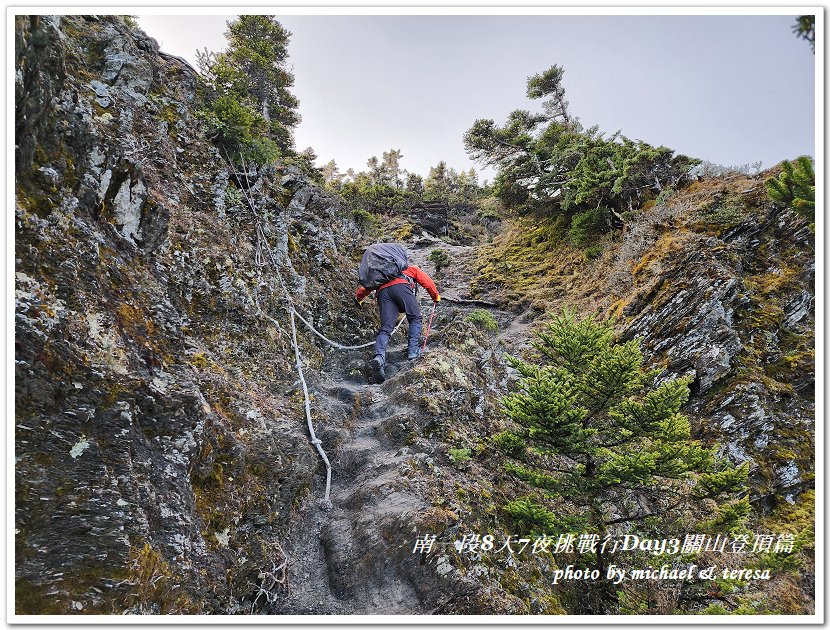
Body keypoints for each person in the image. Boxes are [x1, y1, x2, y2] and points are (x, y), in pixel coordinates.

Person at [355, 264, 440, 383]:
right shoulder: (410, 268)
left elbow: (368, 287)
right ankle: (413, 351)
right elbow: (427, 282)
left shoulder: (382, 272)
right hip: (402, 288)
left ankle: (379, 358)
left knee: (385, 328)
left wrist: (359, 298)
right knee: (415, 318)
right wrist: (435, 296)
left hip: (383, 292)